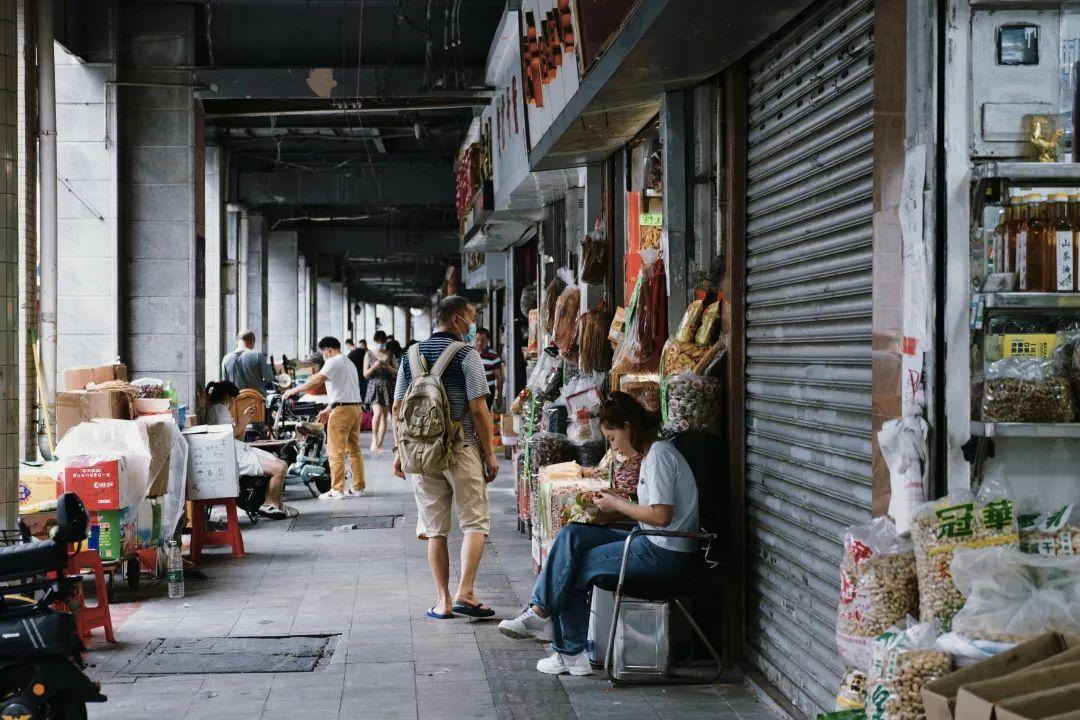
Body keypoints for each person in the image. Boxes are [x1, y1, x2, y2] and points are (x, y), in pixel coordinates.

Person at [498, 392, 700, 677]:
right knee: (572, 535)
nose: (612, 445)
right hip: (649, 541)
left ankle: (567, 650)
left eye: (613, 437)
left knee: (575, 565)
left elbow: (660, 516)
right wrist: (608, 508)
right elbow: (649, 511)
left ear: (628, 426)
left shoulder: (659, 457)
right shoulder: (652, 455)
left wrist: (617, 503)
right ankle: (542, 614)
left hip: (664, 554)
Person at [392, 296, 499, 620]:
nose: (472, 326)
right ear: (456, 320)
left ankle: (443, 601)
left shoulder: (410, 356)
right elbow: (479, 410)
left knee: (435, 529)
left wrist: (401, 453)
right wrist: (490, 455)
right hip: (462, 447)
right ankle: (466, 591)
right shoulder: (467, 355)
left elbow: (399, 409)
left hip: (423, 454)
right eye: (471, 319)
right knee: (475, 523)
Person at [282, 336, 366, 499]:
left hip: (342, 412)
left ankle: (337, 490)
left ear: (328, 350)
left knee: (335, 451)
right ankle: (358, 487)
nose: (323, 355)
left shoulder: (333, 361)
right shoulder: (348, 362)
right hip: (355, 408)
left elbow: (317, 380)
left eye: (323, 352)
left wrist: (293, 391)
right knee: (354, 451)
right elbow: (344, 390)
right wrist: (329, 408)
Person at [204, 381, 295, 519]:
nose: (233, 402)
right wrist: (245, 419)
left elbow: (237, 436)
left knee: (280, 463)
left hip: (237, 449)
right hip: (234, 454)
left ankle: (275, 504)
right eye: (233, 399)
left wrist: (246, 420)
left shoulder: (218, 409)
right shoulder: (219, 409)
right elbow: (230, 434)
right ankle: (271, 505)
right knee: (280, 467)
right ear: (227, 397)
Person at [364, 330, 397, 454]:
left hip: (387, 386)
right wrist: (374, 367)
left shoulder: (390, 355)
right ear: (375, 341)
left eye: (382, 342)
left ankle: (380, 443)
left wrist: (387, 367)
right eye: (378, 341)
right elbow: (365, 374)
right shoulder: (369, 354)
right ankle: (374, 439)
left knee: (384, 415)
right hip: (374, 387)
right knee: (377, 413)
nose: (380, 344)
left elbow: (397, 372)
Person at [474, 327, 504, 411]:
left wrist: (499, 396)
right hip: (473, 391)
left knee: (484, 415)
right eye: (477, 339)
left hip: (488, 392)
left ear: (488, 341)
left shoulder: (494, 357)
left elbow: (499, 378)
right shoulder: (469, 354)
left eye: (483, 340)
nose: (479, 343)